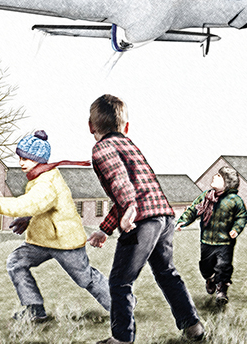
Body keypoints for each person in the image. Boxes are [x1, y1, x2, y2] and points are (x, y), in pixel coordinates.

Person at [85, 94, 205, 344]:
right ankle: (192, 325)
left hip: (140, 222)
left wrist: (129, 207)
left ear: (91, 126)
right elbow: (134, 189)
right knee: (166, 272)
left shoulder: (101, 148)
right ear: (126, 127)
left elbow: (121, 183)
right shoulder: (130, 146)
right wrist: (105, 230)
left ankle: (121, 339)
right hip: (163, 217)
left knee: (120, 281)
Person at [0, 130, 111, 322]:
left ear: (40, 159)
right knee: (16, 263)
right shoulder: (39, 177)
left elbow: (31, 203)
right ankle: (34, 309)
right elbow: (41, 206)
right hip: (42, 241)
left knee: (86, 279)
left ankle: (122, 306)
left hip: (65, 242)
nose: (21, 163)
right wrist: (28, 218)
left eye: (26, 158)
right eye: (20, 157)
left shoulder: (46, 182)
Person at [176, 166, 247, 305]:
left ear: (227, 183)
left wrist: (236, 229)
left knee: (223, 266)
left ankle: (221, 290)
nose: (214, 177)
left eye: (219, 176)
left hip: (225, 242)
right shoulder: (206, 196)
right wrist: (183, 221)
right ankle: (210, 279)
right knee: (205, 267)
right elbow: (193, 210)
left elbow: (241, 217)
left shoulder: (235, 200)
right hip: (207, 240)